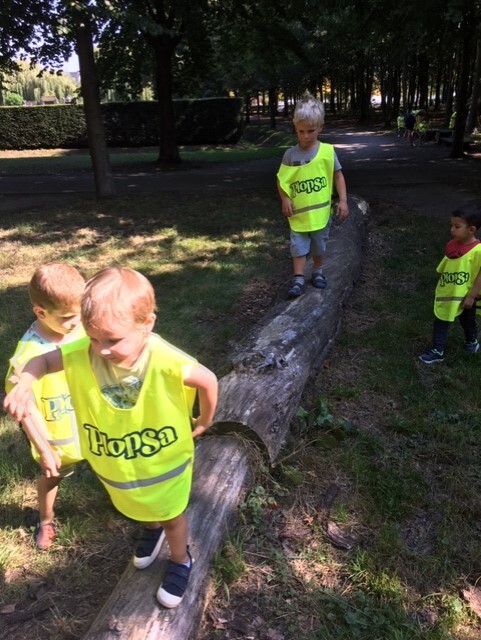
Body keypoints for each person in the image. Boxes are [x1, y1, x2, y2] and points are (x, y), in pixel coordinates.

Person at [4, 266, 218, 609]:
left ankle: (180, 559)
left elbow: (207, 380)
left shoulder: (164, 359)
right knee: (142, 506)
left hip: (164, 463)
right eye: (93, 338)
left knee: (173, 515)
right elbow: (40, 362)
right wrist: (26, 383)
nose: (100, 350)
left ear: (147, 324)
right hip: (124, 462)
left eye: (112, 341)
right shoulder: (85, 353)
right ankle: (152, 528)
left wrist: (205, 419)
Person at [5, 263, 86, 550]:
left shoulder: (81, 330)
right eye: (68, 318)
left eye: (81, 314)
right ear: (40, 312)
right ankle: (46, 520)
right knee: (52, 477)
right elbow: (25, 409)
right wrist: (44, 447)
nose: (77, 322)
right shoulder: (28, 354)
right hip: (55, 434)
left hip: (90, 426)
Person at [277, 94, 349, 299]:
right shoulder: (290, 155)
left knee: (319, 245)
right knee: (298, 246)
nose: (305, 136)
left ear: (321, 128)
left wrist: (342, 201)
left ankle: (317, 272)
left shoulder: (327, 152)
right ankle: (298, 279)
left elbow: (338, 175)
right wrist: (285, 198)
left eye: (310, 131)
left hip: (320, 214)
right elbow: (281, 180)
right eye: (301, 131)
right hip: (298, 215)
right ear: (295, 128)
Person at [419, 203, 481, 364]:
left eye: (457, 226)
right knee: (442, 319)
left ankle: (472, 342)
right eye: (451, 225)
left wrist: (471, 296)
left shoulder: (478, 251)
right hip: (449, 293)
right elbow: (446, 265)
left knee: (467, 321)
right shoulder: (452, 245)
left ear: (471, 230)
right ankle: (438, 351)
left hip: (466, 296)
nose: (452, 229)